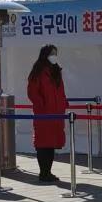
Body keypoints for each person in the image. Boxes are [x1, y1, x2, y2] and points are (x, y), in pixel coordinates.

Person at [27, 45, 68, 182]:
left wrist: (63, 103)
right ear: (45, 55)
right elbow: (32, 92)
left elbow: (61, 91)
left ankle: (48, 172)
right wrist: (43, 105)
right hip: (44, 114)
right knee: (43, 143)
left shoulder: (56, 70)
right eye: (52, 53)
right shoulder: (38, 72)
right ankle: (43, 173)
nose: (54, 56)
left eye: (56, 53)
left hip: (56, 114)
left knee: (51, 144)